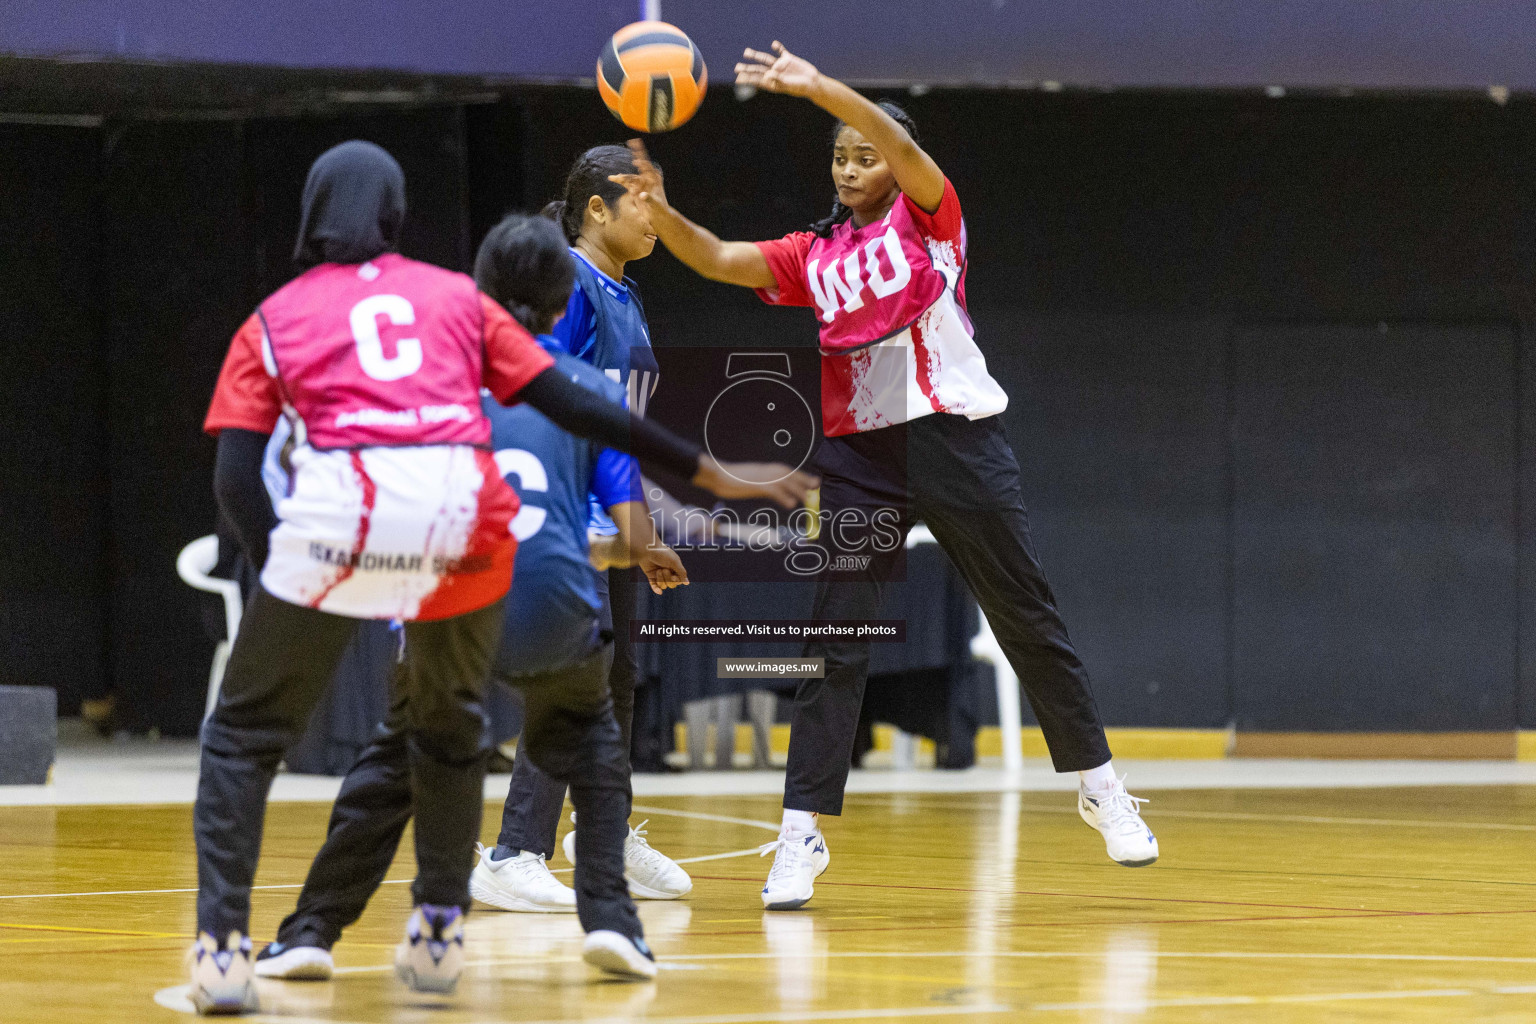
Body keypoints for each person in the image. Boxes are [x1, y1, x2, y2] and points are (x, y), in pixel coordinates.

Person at [189, 140, 815, 1014]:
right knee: (466, 734)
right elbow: (576, 402)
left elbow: (235, 479)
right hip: (461, 531)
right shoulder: (452, 300)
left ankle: (226, 951)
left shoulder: (274, 316)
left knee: (243, 739)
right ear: (398, 214)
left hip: (338, 530)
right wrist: (703, 469)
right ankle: (445, 932)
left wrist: (280, 583)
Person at [614, 42, 1159, 912]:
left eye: (865, 153)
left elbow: (902, 151)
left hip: (954, 439)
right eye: (838, 154)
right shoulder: (813, 251)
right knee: (835, 645)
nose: (850, 166)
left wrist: (819, 88)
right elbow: (719, 259)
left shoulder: (932, 217)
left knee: (1027, 618)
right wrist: (665, 212)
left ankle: (1099, 786)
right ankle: (800, 834)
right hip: (862, 458)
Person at [252, 214, 689, 985]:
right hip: (552, 605)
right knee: (590, 733)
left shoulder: (436, 383)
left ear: (480, 299)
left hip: (449, 599)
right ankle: (615, 923)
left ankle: (309, 933)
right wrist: (617, 547)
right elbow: (627, 539)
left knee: (400, 755)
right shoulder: (589, 389)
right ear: (564, 310)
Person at [480, 145, 694, 909]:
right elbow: (539, 400)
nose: (658, 217)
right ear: (596, 209)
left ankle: (605, 833)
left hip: (612, 514)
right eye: (645, 201)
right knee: (570, 682)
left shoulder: (628, 298)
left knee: (618, 680)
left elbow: (619, 428)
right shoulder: (570, 289)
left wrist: (640, 528)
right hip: (565, 518)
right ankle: (513, 851)